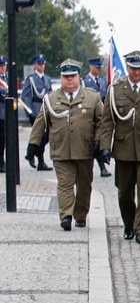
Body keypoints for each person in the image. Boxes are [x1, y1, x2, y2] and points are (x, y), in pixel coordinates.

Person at [98, 51, 140, 244]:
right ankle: (129, 223)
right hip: (123, 147)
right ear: (127, 68)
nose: (136, 73)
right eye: (133, 69)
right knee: (124, 191)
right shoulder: (115, 90)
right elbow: (107, 121)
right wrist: (105, 146)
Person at [27, 59, 104, 230]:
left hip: (85, 149)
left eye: (72, 76)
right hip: (61, 150)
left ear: (78, 76)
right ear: (61, 78)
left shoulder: (92, 97)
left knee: (84, 185)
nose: (69, 80)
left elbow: (102, 122)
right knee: (64, 184)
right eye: (65, 76)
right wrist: (33, 145)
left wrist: (100, 141)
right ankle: (66, 215)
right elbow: (40, 123)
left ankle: (80, 214)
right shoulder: (51, 99)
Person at [22, 54, 54, 170]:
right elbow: (25, 97)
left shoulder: (47, 78)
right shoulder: (31, 79)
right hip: (36, 109)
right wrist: (29, 112)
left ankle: (31, 153)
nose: (42, 66)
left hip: (46, 109)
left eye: (43, 64)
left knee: (47, 137)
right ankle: (40, 162)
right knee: (40, 136)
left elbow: (50, 95)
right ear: (35, 65)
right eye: (39, 64)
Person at [83, 57, 111, 178]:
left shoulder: (103, 80)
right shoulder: (84, 81)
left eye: (100, 68)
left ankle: (102, 167)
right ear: (90, 67)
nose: (99, 70)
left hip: (101, 114)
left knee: (99, 139)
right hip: (89, 115)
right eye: (96, 67)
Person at [0, 56, 7, 173]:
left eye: (4, 65)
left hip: (7, 114)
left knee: (5, 140)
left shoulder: (7, 78)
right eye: (1, 66)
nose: (3, 68)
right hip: (0, 113)